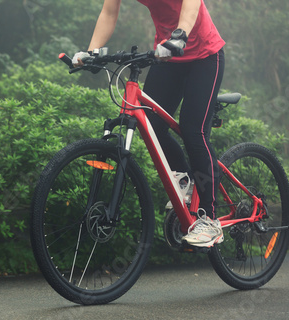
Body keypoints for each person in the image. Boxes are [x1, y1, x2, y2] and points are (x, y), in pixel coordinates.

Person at [73, 0, 225, 247]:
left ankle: (209, 219)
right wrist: (91, 52)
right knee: (151, 125)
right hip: (168, 57)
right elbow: (109, 12)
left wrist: (180, 34)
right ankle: (186, 180)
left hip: (204, 56)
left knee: (193, 131)